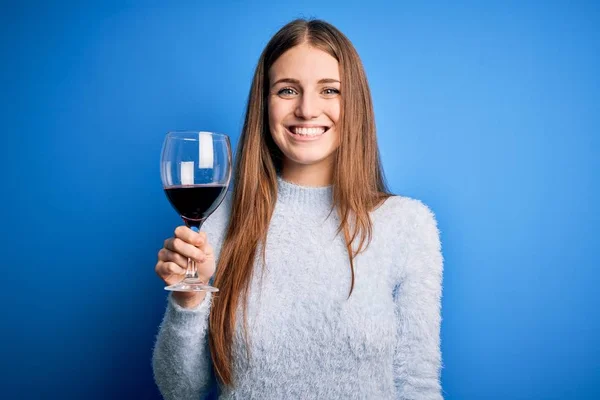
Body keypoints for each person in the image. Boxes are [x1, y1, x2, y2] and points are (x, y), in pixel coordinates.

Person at [152, 18, 444, 400]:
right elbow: (180, 391)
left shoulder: (408, 225)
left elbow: (418, 386)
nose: (307, 110)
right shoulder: (220, 222)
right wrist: (188, 299)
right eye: (287, 90)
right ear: (265, 103)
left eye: (330, 90)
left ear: (354, 103)